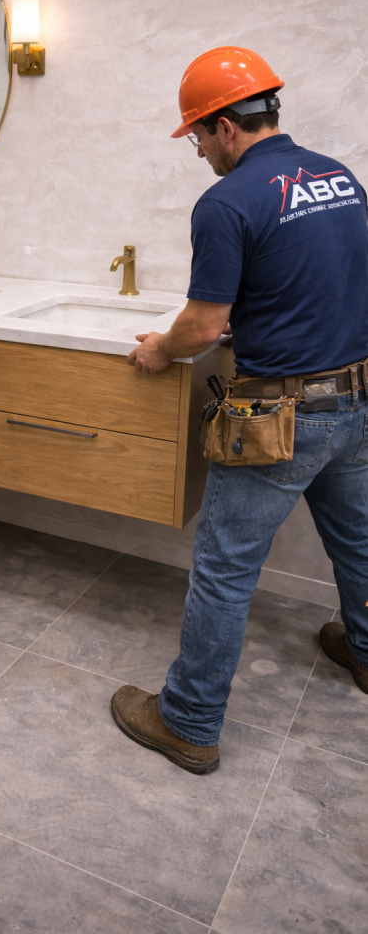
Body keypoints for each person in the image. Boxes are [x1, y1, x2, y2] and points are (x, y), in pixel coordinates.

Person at [111, 46, 368, 774]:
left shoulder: (228, 201)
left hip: (279, 419)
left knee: (224, 571)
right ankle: (366, 651)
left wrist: (161, 349)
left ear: (227, 126)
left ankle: (187, 721)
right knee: (356, 541)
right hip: (353, 402)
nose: (195, 150)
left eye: (196, 134)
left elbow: (200, 325)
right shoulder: (338, 178)